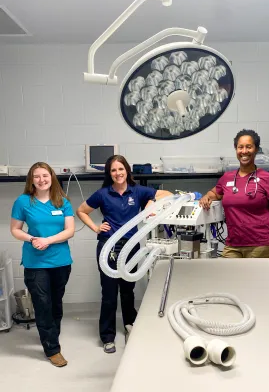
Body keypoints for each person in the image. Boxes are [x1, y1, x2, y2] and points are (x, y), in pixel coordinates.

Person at [76, 155, 172, 353]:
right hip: (108, 247)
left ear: (127, 170)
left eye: (121, 169)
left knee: (128, 289)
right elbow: (81, 210)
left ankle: (130, 324)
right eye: (113, 170)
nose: (118, 173)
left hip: (131, 246)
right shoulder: (103, 194)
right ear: (109, 174)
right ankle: (107, 336)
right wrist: (96, 227)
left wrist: (149, 205)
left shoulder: (137, 191)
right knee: (109, 293)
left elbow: (168, 194)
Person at [10, 162, 75, 367]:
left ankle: (51, 334)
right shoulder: (23, 202)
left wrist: (47, 240)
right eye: (36, 176)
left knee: (56, 302)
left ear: (51, 177)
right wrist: (32, 239)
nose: (41, 180)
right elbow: (15, 229)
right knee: (42, 303)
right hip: (36, 262)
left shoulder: (62, 201)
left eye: (45, 175)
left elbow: (69, 231)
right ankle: (52, 349)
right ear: (31, 180)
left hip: (61, 261)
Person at [199, 129, 269, 258]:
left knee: (256, 279)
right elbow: (214, 193)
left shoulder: (268, 178)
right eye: (240, 147)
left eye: (249, 147)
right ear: (236, 150)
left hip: (261, 245)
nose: (244, 151)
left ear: (256, 149)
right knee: (226, 276)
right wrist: (206, 196)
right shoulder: (227, 178)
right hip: (233, 245)